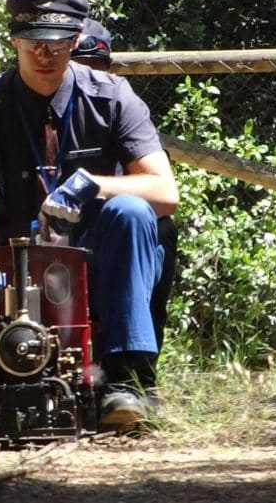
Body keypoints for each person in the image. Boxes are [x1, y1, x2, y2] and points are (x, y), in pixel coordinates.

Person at [0, 0, 180, 431]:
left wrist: (93, 186)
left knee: (133, 210)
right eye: (33, 44)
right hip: (4, 248)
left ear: (76, 39)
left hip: (88, 247)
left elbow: (166, 192)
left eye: (59, 43)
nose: (46, 56)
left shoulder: (113, 96)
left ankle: (124, 382)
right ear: (13, 41)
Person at [70, 18, 180, 358]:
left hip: (111, 228)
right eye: (78, 66)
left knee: (160, 229)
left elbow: (164, 193)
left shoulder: (117, 103)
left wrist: (92, 187)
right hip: (45, 228)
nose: (88, 76)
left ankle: (137, 371)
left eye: (96, 67)